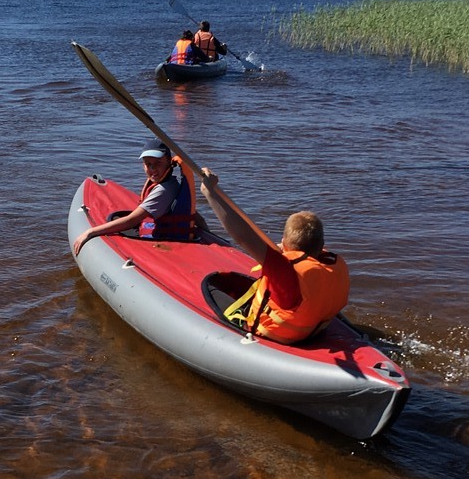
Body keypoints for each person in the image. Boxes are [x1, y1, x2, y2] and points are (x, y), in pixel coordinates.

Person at [199, 170, 350, 343]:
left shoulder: (284, 270)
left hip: (279, 334)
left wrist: (210, 193)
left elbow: (242, 236)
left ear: (284, 242)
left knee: (212, 288)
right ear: (321, 245)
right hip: (312, 329)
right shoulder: (331, 263)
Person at [73, 140, 201, 255]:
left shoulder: (163, 190)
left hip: (163, 241)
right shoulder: (171, 183)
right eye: (148, 164)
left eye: (158, 163)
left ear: (169, 162)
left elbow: (132, 221)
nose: (153, 169)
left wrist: (91, 232)